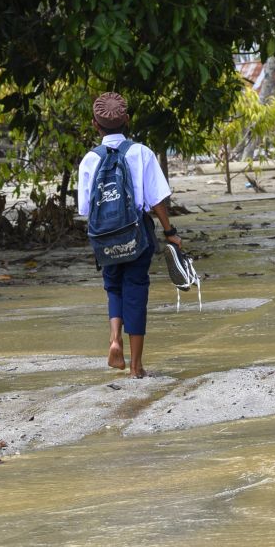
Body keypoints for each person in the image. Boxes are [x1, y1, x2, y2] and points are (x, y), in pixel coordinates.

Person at [77, 92, 181, 377]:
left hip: (105, 238)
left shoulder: (89, 160)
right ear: (127, 120)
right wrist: (170, 232)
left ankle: (114, 340)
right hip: (137, 235)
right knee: (135, 290)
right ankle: (136, 366)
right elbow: (157, 201)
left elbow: (85, 207)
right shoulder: (141, 153)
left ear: (95, 126)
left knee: (113, 287)